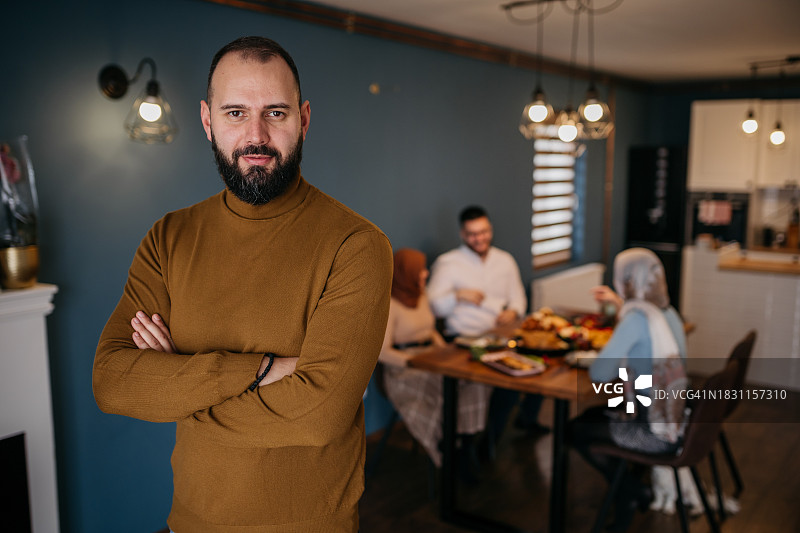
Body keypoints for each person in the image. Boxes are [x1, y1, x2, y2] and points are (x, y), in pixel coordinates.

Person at [92, 36, 393, 533]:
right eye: (236, 113)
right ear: (209, 121)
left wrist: (180, 389)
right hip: (187, 523)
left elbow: (320, 415)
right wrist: (268, 370)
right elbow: (112, 381)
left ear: (304, 119)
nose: (256, 135)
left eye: (275, 113)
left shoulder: (357, 245)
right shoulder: (169, 237)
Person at [569, 248, 689, 532]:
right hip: (678, 418)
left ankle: (631, 490)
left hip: (651, 431)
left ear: (628, 281)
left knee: (575, 429)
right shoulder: (668, 312)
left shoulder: (636, 318)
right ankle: (628, 492)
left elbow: (600, 373)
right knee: (594, 417)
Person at [427, 206, 546, 454]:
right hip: (463, 340)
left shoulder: (505, 261)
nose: (479, 238)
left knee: (540, 365)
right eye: (472, 234)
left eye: (483, 232)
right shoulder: (448, 263)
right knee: (505, 386)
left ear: (490, 230)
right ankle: (483, 446)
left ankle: (516, 425)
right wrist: (458, 296)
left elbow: (519, 299)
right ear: (462, 234)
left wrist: (512, 312)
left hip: (501, 336)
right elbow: (434, 306)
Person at [378, 248, 491, 472]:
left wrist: (445, 350)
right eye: (420, 270)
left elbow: (430, 332)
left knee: (473, 381)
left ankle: (463, 441)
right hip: (404, 370)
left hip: (431, 357)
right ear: (406, 272)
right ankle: (446, 450)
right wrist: (414, 362)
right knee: (440, 390)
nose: (426, 273)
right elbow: (383, 352)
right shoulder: (389, 305)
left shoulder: (422, 295)